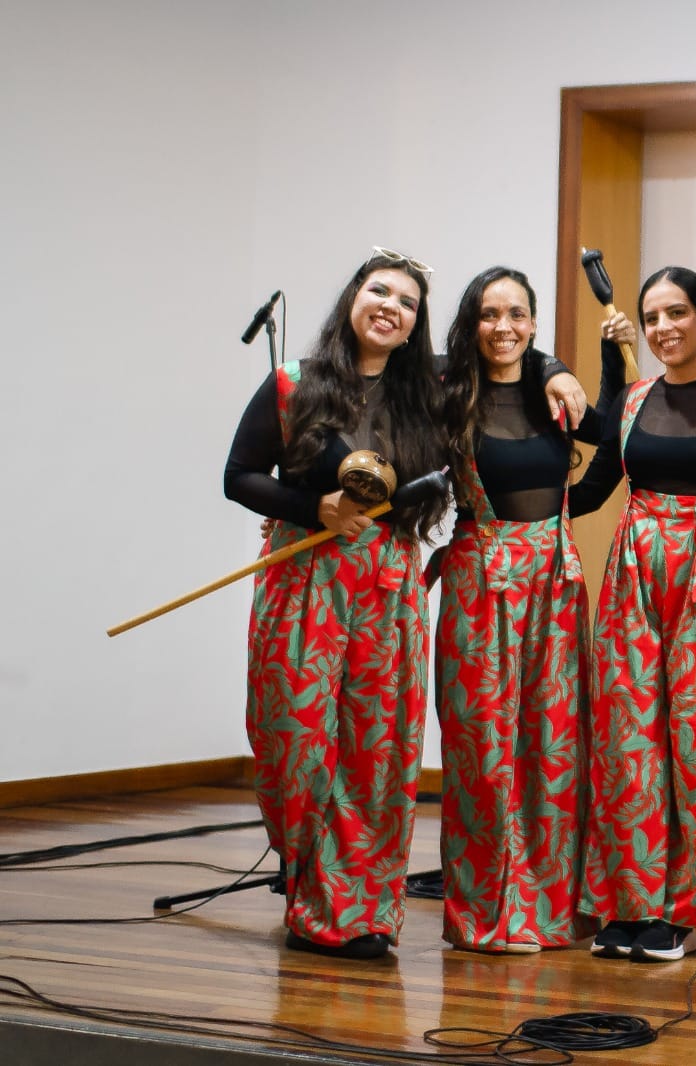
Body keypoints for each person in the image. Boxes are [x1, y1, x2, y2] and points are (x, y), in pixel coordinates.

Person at [223, 247, 449, 960]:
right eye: (379, 291)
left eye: (407, 302)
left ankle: (358, 910)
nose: (391, 306)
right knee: (295, 739)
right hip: (304, 582)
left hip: (387, 589)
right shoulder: (295, 385)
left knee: (377, 751)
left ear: (415, 326)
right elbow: (238, 477)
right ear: (353, 299)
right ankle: (307, 881)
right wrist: (309, 505)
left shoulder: (425, 400)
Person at [433, 265, 628, 954]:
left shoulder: (555, 398)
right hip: (479, 581)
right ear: (472, 323)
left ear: (535, 322)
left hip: (554, 578)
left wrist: (585, 363)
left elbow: (610, 437)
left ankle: (551, 910)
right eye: (489, 314)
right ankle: (488, 914)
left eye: (518, 314)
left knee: (553, 748)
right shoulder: (449, 393)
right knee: (483, 752)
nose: (504, 327)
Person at [573, 266, 696, 963]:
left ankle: (684, 907)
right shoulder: (636, 397)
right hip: (633, 572)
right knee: (628, 736)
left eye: (678, 312)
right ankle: (629, 899)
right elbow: (591, 488)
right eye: (652, 318)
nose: (665, 328)